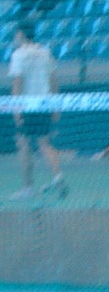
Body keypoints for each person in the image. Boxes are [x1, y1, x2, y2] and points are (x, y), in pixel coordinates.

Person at [9, 21, 66, 200]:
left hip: (27, 106)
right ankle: (58, 176)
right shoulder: (45, 53)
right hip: (44, 104)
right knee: (45, 144)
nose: (15, 37)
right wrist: (56, 106)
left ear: (21, 35)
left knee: (23, 144)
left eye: (17, 34)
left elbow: (17, 83)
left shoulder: (18, 55)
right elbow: (54, 81)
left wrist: (16, 109)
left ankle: (28, 187)